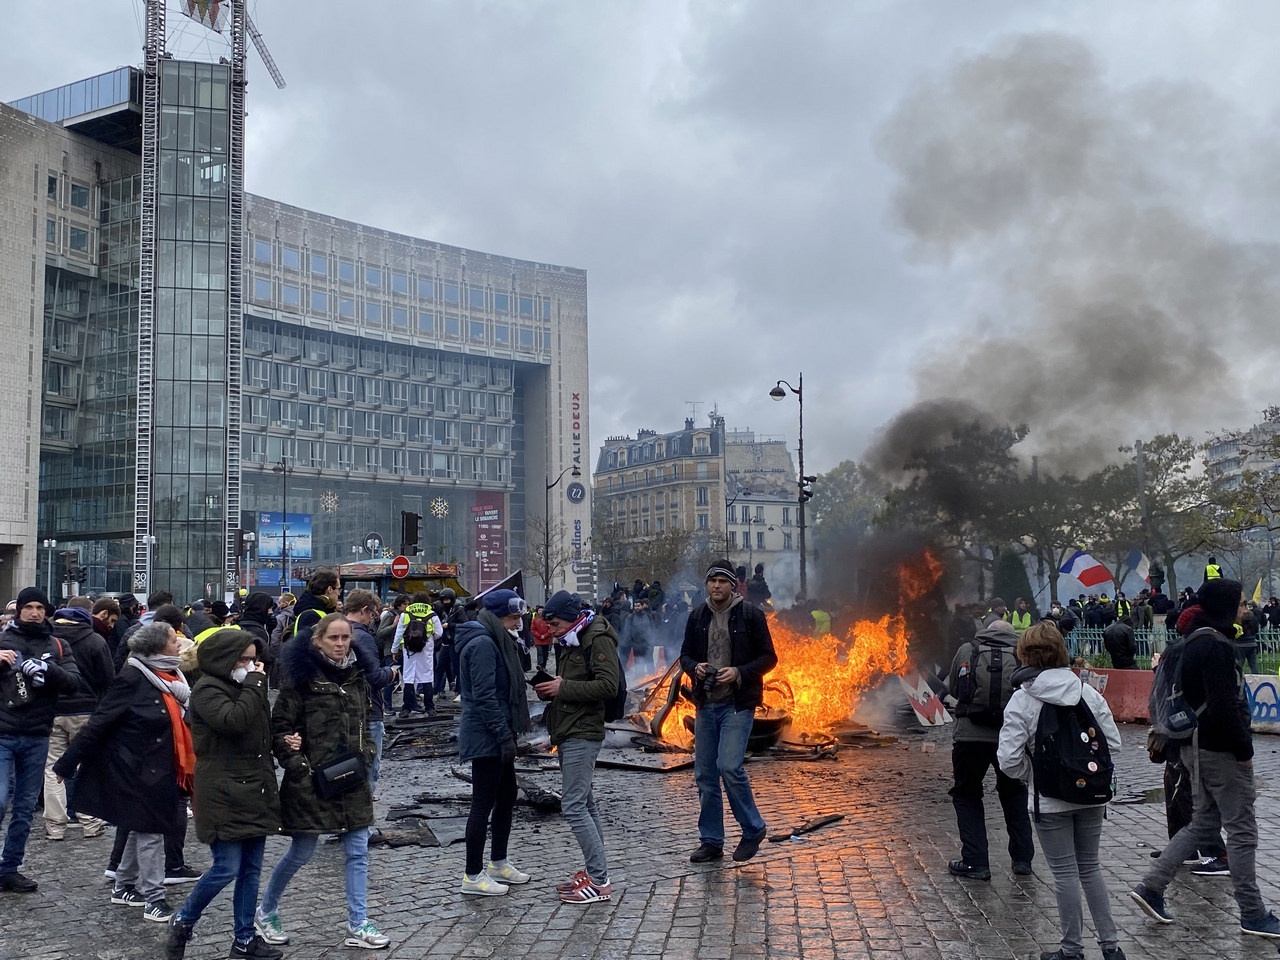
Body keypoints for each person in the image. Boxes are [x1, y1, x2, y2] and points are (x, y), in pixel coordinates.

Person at [1130, 579, 1280, 938]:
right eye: (1242, 604)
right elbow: (1223, 706)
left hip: (1192, 745)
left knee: (1203, 823)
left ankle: (1152, 886)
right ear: (1226, 607)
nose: (1246, 610)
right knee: (1242, 832)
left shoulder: (1193, 642)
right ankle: (1253, 912)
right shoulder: (1216, 646)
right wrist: (1243, 751)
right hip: (1220, 750)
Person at [255, 613, 390, 950]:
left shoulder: (357, 675)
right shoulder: (302, 679)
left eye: (345, 638)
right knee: (302, 851)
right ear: (318, 640)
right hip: (313, 781)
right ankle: (266, 910)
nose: (341, 644)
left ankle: (358, 922)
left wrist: (367, 754)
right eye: (334, 638)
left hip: (353, 778)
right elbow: (280, 728)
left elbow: (365, 721)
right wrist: (298, 764)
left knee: (358, 850)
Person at [997, 622, 1125, 960]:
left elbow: (1008, 761)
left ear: (1025, 656)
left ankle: (1072, 950)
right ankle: (1111, 947)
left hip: (1050, 801)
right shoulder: (1088, 693)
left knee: (1065, 873)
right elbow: (1114, 744)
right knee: (1090, 868)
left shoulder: (1023, 700)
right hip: (1092, 795)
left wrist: (1037, 775)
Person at [53, 622, 192, 922]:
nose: (178, 643)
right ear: (156, 647)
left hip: (162, 767)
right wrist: (67, 764)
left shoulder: (171, 676)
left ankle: (124, 885)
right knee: (152, 830)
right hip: (135, 769)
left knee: (139, 826)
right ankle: (154, 899)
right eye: (172, 639)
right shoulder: (131, 678)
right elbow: (98, 723)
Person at [166, 629, 282, 960]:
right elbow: (233, 721)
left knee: (251, 870)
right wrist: (256, 684)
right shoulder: (208, 690)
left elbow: (259, 732)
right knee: (227, 867)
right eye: (244, 659)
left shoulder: (246, 688)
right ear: (224, 659)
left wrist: (283, 742)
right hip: (222, 790)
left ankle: (244, 940)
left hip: (255, 786)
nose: (251, 665)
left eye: (252, 658)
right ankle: (183, 920)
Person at [679, 560, 778, 864]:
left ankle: (753, 828)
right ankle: (711, 841)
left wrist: (738, 672)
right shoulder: (697, 616)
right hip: (707, 703)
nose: (717, 586)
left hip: (738, 704)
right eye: (713, 581)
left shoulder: (751, 615)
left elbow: (769, 658)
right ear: (707, 585)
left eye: (723, 581)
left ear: (733, 585)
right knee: (704, 775)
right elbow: (685, 655)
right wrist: (695, 667)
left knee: (729, 767)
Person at [535, 590, 621, 904]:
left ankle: (599, 882)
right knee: (585, 804)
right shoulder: (573, 636)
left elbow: (608, 686)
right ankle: (594, 872)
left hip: (584, 730)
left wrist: (563, 687)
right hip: (571, 726)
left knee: (572, 805)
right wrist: (554, 689)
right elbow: (577, 680)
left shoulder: (595, 637)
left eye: (555, 623)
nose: (552, 630)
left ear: (571, 617)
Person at [0, 587, 85, 892]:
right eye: (28, 607)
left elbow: (75, 683)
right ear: (18, 610)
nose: (34, 612)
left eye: (40, 607)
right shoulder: (2, 640)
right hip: (4, 733)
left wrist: (49, 670)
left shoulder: (57, 645)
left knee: (24, 809)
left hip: (37, 735)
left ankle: (9, 868)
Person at [945, 617, 1034, 879]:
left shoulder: (968, 649)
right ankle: (1022, 860)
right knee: (1014, 792)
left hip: (969, 736)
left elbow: (954, 687)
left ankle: (976, 862)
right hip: (1011, 736)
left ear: (987, 630)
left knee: (967, 794)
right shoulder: (1022, 652)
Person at [456, 589, 532, 896]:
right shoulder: (484, 644)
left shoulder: (496, 638)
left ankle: (498, 861)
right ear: (500, 616)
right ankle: (472, 876)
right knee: (482, 803)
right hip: (485, 733)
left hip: (497, 731)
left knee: (507, 795)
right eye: (514, 618)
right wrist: (503, 736)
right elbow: (485, 696)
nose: (517, 624)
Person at [43, 603, 114, 841]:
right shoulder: (95, 641)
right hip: (85, 710)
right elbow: (107, 679)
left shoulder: (48, 640)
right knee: (87, 765)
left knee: (52, 768)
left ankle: (55, 826)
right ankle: (91, 822)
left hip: (53, 710)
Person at [343, 589, 397, 798]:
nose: (373, 618)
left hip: (343, 711)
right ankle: (360, 827)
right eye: (373, 613)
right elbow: (373, 677)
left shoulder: (335, 631)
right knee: (367, 770)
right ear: (364, 610)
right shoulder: (363, 637)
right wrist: (391, 673)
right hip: (368, 709)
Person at [391, 594, 440, 718]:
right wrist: (428, 639)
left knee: (408, 677)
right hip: (426, 649)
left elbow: (399, 633)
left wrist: (394, 650)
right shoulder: (432, 614)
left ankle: (406, 708)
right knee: (427, 677)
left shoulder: (405, 614)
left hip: (409, 649)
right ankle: (430, 708)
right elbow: (439, 632)